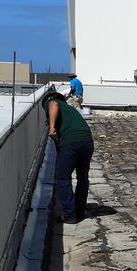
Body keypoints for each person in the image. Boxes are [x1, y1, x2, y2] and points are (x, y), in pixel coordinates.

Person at [43, 89, 94, 224]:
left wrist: (52, 127)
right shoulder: (69, 109)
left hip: (71, 142)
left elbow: (53, 105)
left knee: (63, 178)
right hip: (87, 141)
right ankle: (79, 211)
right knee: (83, 178)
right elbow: (58, 142)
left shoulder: (51, 102)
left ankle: (70, 215)